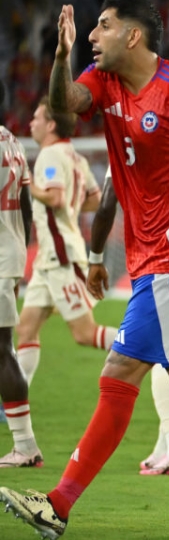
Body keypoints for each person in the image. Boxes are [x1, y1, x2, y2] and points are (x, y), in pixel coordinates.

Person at [0, 3, 169, 539]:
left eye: (102, 27)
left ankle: (57, 505)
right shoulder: (104, 81)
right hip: (152, 261)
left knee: (120, 371)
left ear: (133, 35)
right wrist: (60, 55)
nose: (93, 38)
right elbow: (67, 104)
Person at [11, 98, 115, 462]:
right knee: (25, 331)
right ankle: (19, 428)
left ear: (51, 124)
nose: (31, 124)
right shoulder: (75, 157)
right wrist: (69, 203)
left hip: (60, 256)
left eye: (37, 117)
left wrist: (28, 184)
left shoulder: (52, 158)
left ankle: (147, 346)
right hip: (47, 261)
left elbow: (54, 196)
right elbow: (95, 198)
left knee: (84, 334)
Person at [0, 79, 37, 469]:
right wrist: (20, 247)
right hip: (8, 251)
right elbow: (25, 202)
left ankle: (25, 445)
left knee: (2, 352)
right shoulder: (11, 140)